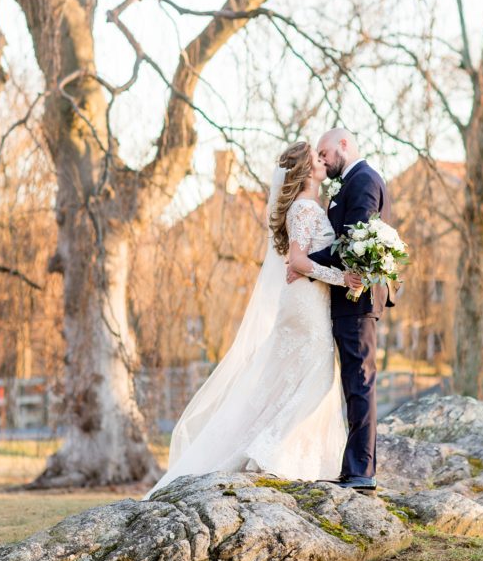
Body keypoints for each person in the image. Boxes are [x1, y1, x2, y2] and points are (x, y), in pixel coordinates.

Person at [142, 140, 361, 497]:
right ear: (306, 171)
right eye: (316, 159)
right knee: (315, 378)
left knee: (292, 378)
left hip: (308, 300)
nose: (323, 161)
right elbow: (298, 262)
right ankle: (272, 452)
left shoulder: (307, 206)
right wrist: (343, 278)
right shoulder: (305, 209)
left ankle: (274, 449)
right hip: (306, 302)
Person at [287, 128, 394, 493]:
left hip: (357, 299)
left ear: (344, 145)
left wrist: (303, 262)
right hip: (343, 297)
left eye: (325, 151)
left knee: (360, 383)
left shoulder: (363, 180)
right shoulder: (347, 183)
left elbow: (352, 242)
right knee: (352, 383)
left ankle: (361, 471)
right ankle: (353, 467)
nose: (322, 158)